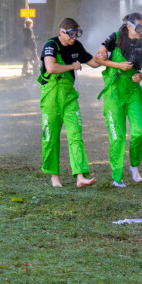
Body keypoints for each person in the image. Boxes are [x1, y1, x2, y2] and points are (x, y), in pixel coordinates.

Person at [95, 13, 142, 186]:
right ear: (129, 26)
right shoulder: (115, 38)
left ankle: (134, 166)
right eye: (138, 28)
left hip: (133, 91)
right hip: (114, 92)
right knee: (117, 137)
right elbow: (97, 58)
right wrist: (118, 65)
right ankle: (117, 177)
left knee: (141, 132)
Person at [39, 17, 101, 188]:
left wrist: (103, 55)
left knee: (75, 135)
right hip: (51, 96)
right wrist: (72, 67)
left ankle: (80, 176)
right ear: (62, 32)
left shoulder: (76, 46)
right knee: (51, 138)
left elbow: (93, 63)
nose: (74, 38)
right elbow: (51, 68)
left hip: (69, 97)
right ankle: (54, 176)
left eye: (77, 34)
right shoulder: (51, 45)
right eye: (72, 34)